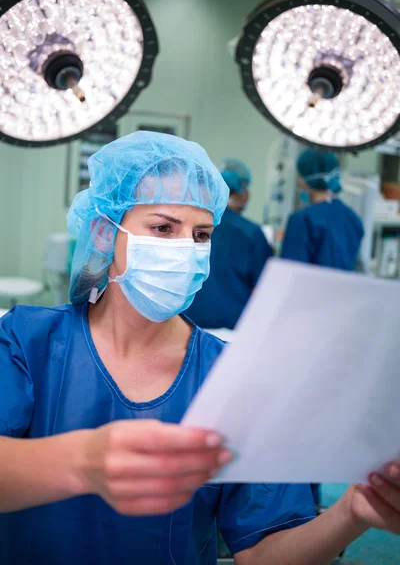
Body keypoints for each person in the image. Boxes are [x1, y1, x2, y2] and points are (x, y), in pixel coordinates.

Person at [0, 132, 399, 565]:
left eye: (201, 234)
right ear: (103, 231)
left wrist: (350, 512)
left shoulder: (233, 376)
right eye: (162, 228)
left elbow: (263, 553)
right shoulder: (27, 342)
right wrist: (84, 462)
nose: (185, 250)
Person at [281, 149, 364, 507]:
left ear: (302, 179)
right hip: (341, 327)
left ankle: (298, 503)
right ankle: (312, 497)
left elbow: (289, 281)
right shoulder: (352, 219)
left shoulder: (303, 221)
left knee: (295, 417)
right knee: (318, 416)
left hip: (308, 330)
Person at [186, 158, 273, 330]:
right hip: (234, 329)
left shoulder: (189, 225)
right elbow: (266, 289)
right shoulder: (250, 232)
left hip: (186, 325)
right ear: (242, 191)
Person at [281, 149, 364, 270]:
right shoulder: (352, 218)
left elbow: (288, 272)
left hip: (309, 288)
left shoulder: (302, 220)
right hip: (342, 288)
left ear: (305, 180)